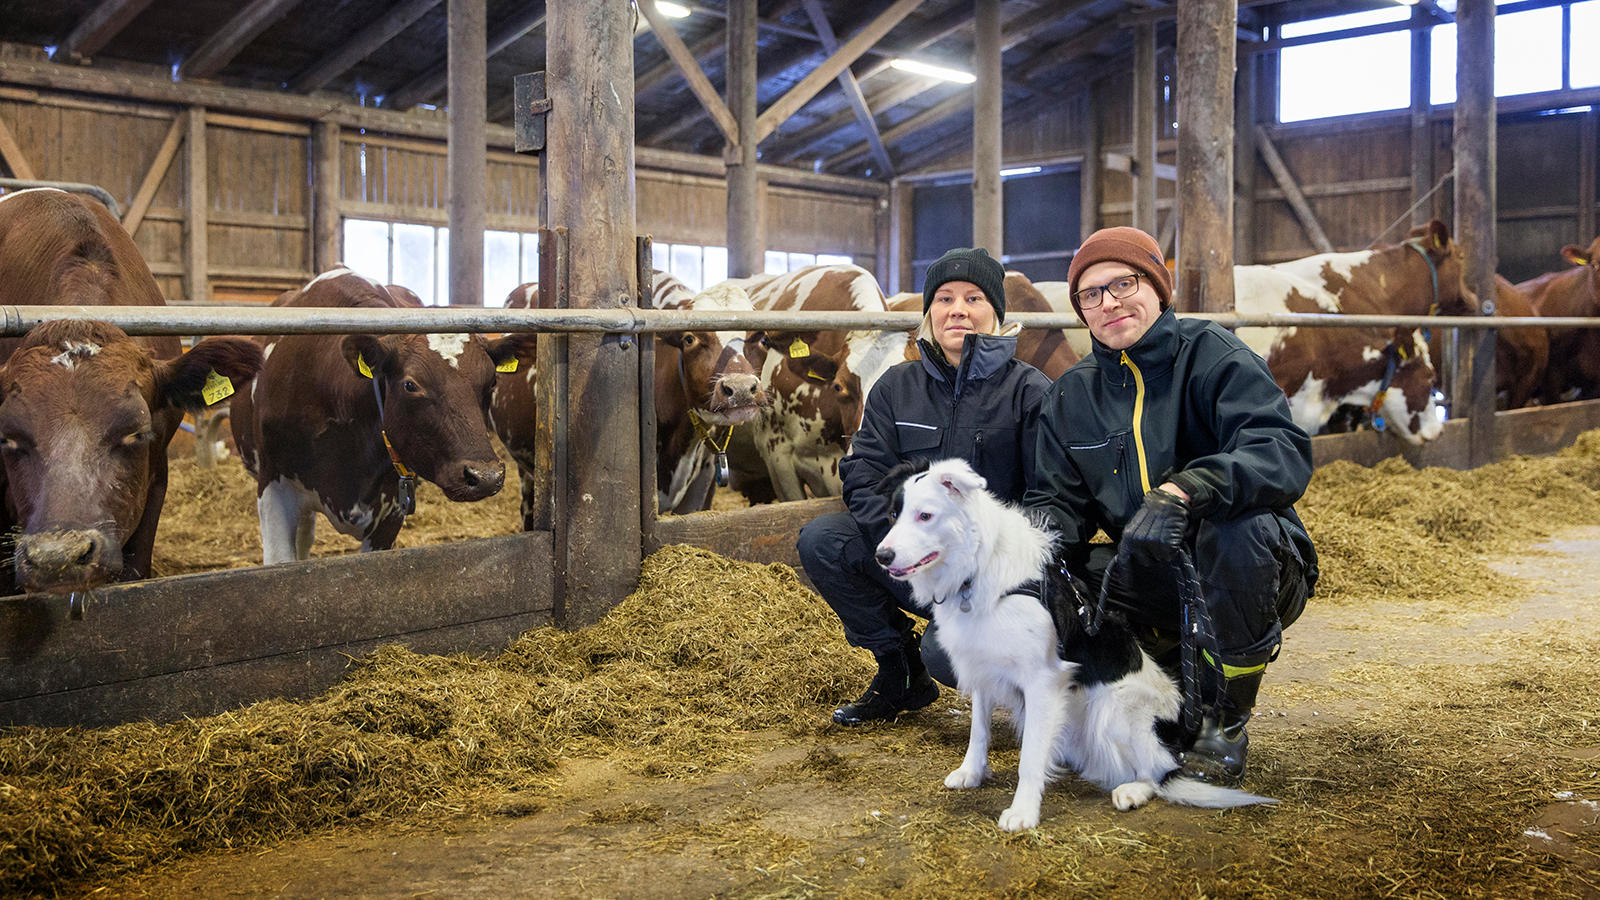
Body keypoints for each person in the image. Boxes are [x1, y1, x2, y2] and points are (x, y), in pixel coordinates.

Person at [1024, 226, 1318, 785]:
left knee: (1236, 529)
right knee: (1048, 576)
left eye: (1124, 284)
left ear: (1158, 287)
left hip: (1252, 569)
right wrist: (1020, 558)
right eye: (1091, 294)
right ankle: (1128, 701)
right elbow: (1054, 504)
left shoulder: (1213, 356)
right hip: (1147, 572)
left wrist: (1186, 490)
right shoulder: (1072, 395)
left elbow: (1280, 451)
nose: (1110, 303)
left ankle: (1223, 721)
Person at [798, 247, 1051, 725]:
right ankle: (899, 671)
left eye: (974, 298)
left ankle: (1022, 685)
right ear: (930, 312)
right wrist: (900, 544)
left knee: (945, 656)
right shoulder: (896, 387)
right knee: (824, 541)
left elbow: (1046, 497)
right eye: (945, 298)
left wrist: (988, 569)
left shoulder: (1029, 391)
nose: (958, 310)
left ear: (996, 313)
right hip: (918, 559)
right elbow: (863, 471)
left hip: (990, 576)